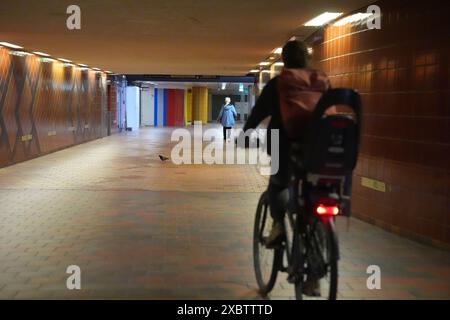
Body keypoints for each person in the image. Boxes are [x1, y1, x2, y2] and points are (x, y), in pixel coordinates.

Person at [242, 40, 332, 296]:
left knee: (278, 184)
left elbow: (257, 115)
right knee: (312, 205)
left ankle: (278, 225)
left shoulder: (278, 84)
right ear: (307, 58)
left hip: (284, 147)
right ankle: (315, 274)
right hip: (318, 150)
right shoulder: (322, 80)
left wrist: (245, 135)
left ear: (285, 60)